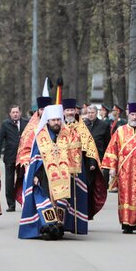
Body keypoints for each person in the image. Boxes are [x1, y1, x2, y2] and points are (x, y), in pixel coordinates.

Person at [101, 102, 136, 233]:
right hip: (125, 171)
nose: (134, 117)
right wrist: (112, 168)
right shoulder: (120, 131)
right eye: (132, 114)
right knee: (125, 196)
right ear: (128, 114)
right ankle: (126, 223)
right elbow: (112, 149)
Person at [18, 103, 72, 240]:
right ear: (48, 120)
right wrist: (35, 175)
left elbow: (73, 154)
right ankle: (47, 228)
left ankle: (58, 227)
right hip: (44, 176)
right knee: (45, 201)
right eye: (53, 120)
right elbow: (35, 158)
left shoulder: (67, 135)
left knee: (59, 202)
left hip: (63, 177)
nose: (56, 123)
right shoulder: (41, 136)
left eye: (58, 120)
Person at [62, 98, 107, 233]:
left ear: (75, 111)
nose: (70, 112)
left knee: (78, 194)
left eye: (72, 110)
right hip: (62, 167)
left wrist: (92, 163)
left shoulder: (81, 126)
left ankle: (77, 223)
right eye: (67, 110)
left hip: (79, 167)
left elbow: (90, 146)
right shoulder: (59, 125)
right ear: (63, 112)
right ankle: (63, 222)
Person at [0, 104, 27, 211]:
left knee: (23, 179)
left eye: (17, 112)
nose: (15, 114)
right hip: (10, 156)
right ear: (10, 114)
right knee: (9, 180)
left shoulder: (26, 123)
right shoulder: (5, 124)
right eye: (13, 112)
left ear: (20, 113)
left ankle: (24, 201)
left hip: (23, 156)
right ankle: (11, 204)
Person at [84, 103, 112, 188]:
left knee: (99, 186)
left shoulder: (104, 125)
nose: (90, 114)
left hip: (99, 159)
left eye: (92, 112)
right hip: (86, 159)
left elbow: (108, 144)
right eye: (89, 113)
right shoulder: (83, 125)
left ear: (96, 113)